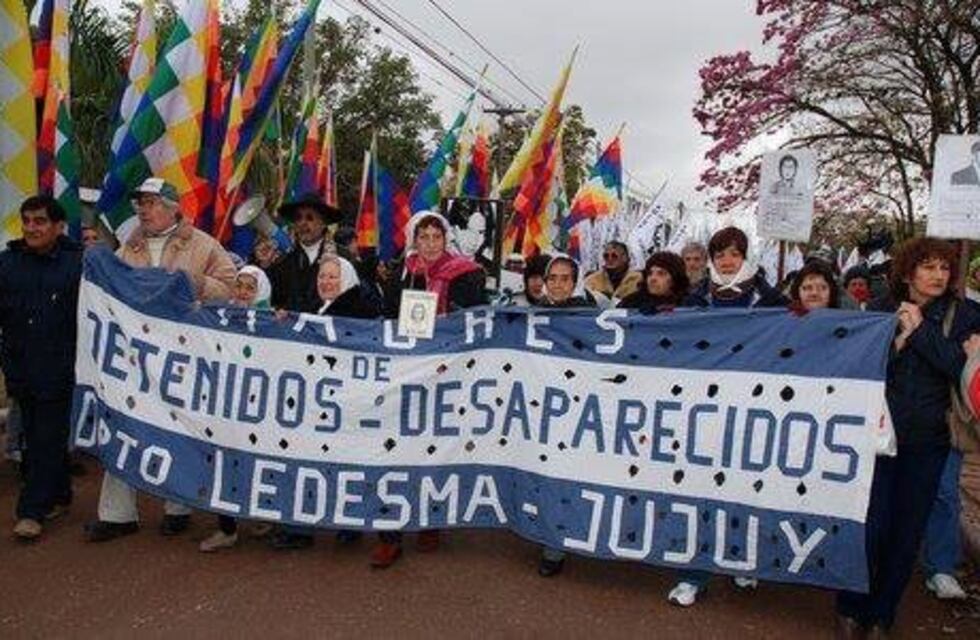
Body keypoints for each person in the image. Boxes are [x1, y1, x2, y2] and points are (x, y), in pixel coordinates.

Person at [836, 238, 980, 637]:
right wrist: (897, 344)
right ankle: (850, 606)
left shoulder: (967, 315)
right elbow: (858, 364)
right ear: (907, 271)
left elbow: (962, 371)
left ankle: (882, 614)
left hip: (930, 440)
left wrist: (919, 333)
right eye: (929, 267)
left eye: (944, 268)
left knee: (907, 530)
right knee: (870, 525)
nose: (938, 275)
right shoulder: (881, 308)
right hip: (877, 437)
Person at [86, 177, 236, 543]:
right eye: (140, 203)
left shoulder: (202, 244)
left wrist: (191, 283)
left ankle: (177, 506)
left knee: (179, 427)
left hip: (182, 355)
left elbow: (230, 288)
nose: (143, 209)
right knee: (121, 422)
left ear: (173, 207)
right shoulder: (127, 249)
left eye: (151, 202)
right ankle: (116, 513)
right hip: (133, 357)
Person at [372, 211, 487, 568]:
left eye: (437, 237)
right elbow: (385, 321)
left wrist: (447, 320)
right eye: (424, 237)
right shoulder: (401, 276)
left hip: (445, 375)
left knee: (432, 450)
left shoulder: (467, 275)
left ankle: (429, 519)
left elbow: (475, 320)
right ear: (414, 240)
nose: (431, 244)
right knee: (393, 450)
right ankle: (389, 531)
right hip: (404, 374)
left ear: (446, 239)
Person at [266, 254, 383, 551]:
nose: (326, 282)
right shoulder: (313, 312)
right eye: (322, 277)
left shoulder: (360, 314)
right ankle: (302, 527)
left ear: (347, 279)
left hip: (348, 403)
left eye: (333, 276)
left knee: (346, 462)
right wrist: (283, 322)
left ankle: (348, 523)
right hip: (315, 404)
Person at [0, 196, 83, 541]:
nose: (32, 228)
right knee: (34, 434)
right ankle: (60, 494)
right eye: (27, 221)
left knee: (46, 436)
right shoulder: (8, 262)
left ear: (59, 226)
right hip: (19, 365)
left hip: (61, 365)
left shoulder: (78, 263)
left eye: (40, 222)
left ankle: (31, 511)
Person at [198, 266, 273, 553]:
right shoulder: (221, 316)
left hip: (258, 408)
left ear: (261, 292)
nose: (242, 292)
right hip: (226, 404)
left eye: (249, 287)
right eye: (239, 285)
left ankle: (263, 515)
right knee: (223, 460)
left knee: (258, 462)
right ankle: (226, 528)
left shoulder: (271, 321)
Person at [534, 254, 595, 577]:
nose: (558, 285)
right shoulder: (532, 315)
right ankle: (547, 536)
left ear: (576, 282)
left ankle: (556, 544)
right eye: (553, 278)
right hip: (539, 409)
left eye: (565, 278)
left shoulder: (591, 318)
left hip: (575, 410)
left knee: (566, 474)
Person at [266, 192, 342, 313]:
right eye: (298, 218)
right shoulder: (281, 261)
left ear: (323, 223)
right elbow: (272, 300)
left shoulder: (342, 258)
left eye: (309, 218)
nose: (302, 223)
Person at [686, 226, 788, 310]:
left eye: (735, 255)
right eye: (719, 256)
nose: (727, 262)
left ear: (747, 258)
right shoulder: (695, 299)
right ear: (712, 262)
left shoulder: (771, 301)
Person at [618, 251, 690, 313]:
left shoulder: (689, 304)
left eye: (661, 274)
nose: (653, 278)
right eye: (650, 273)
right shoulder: (631, 303)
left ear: (675, 279)